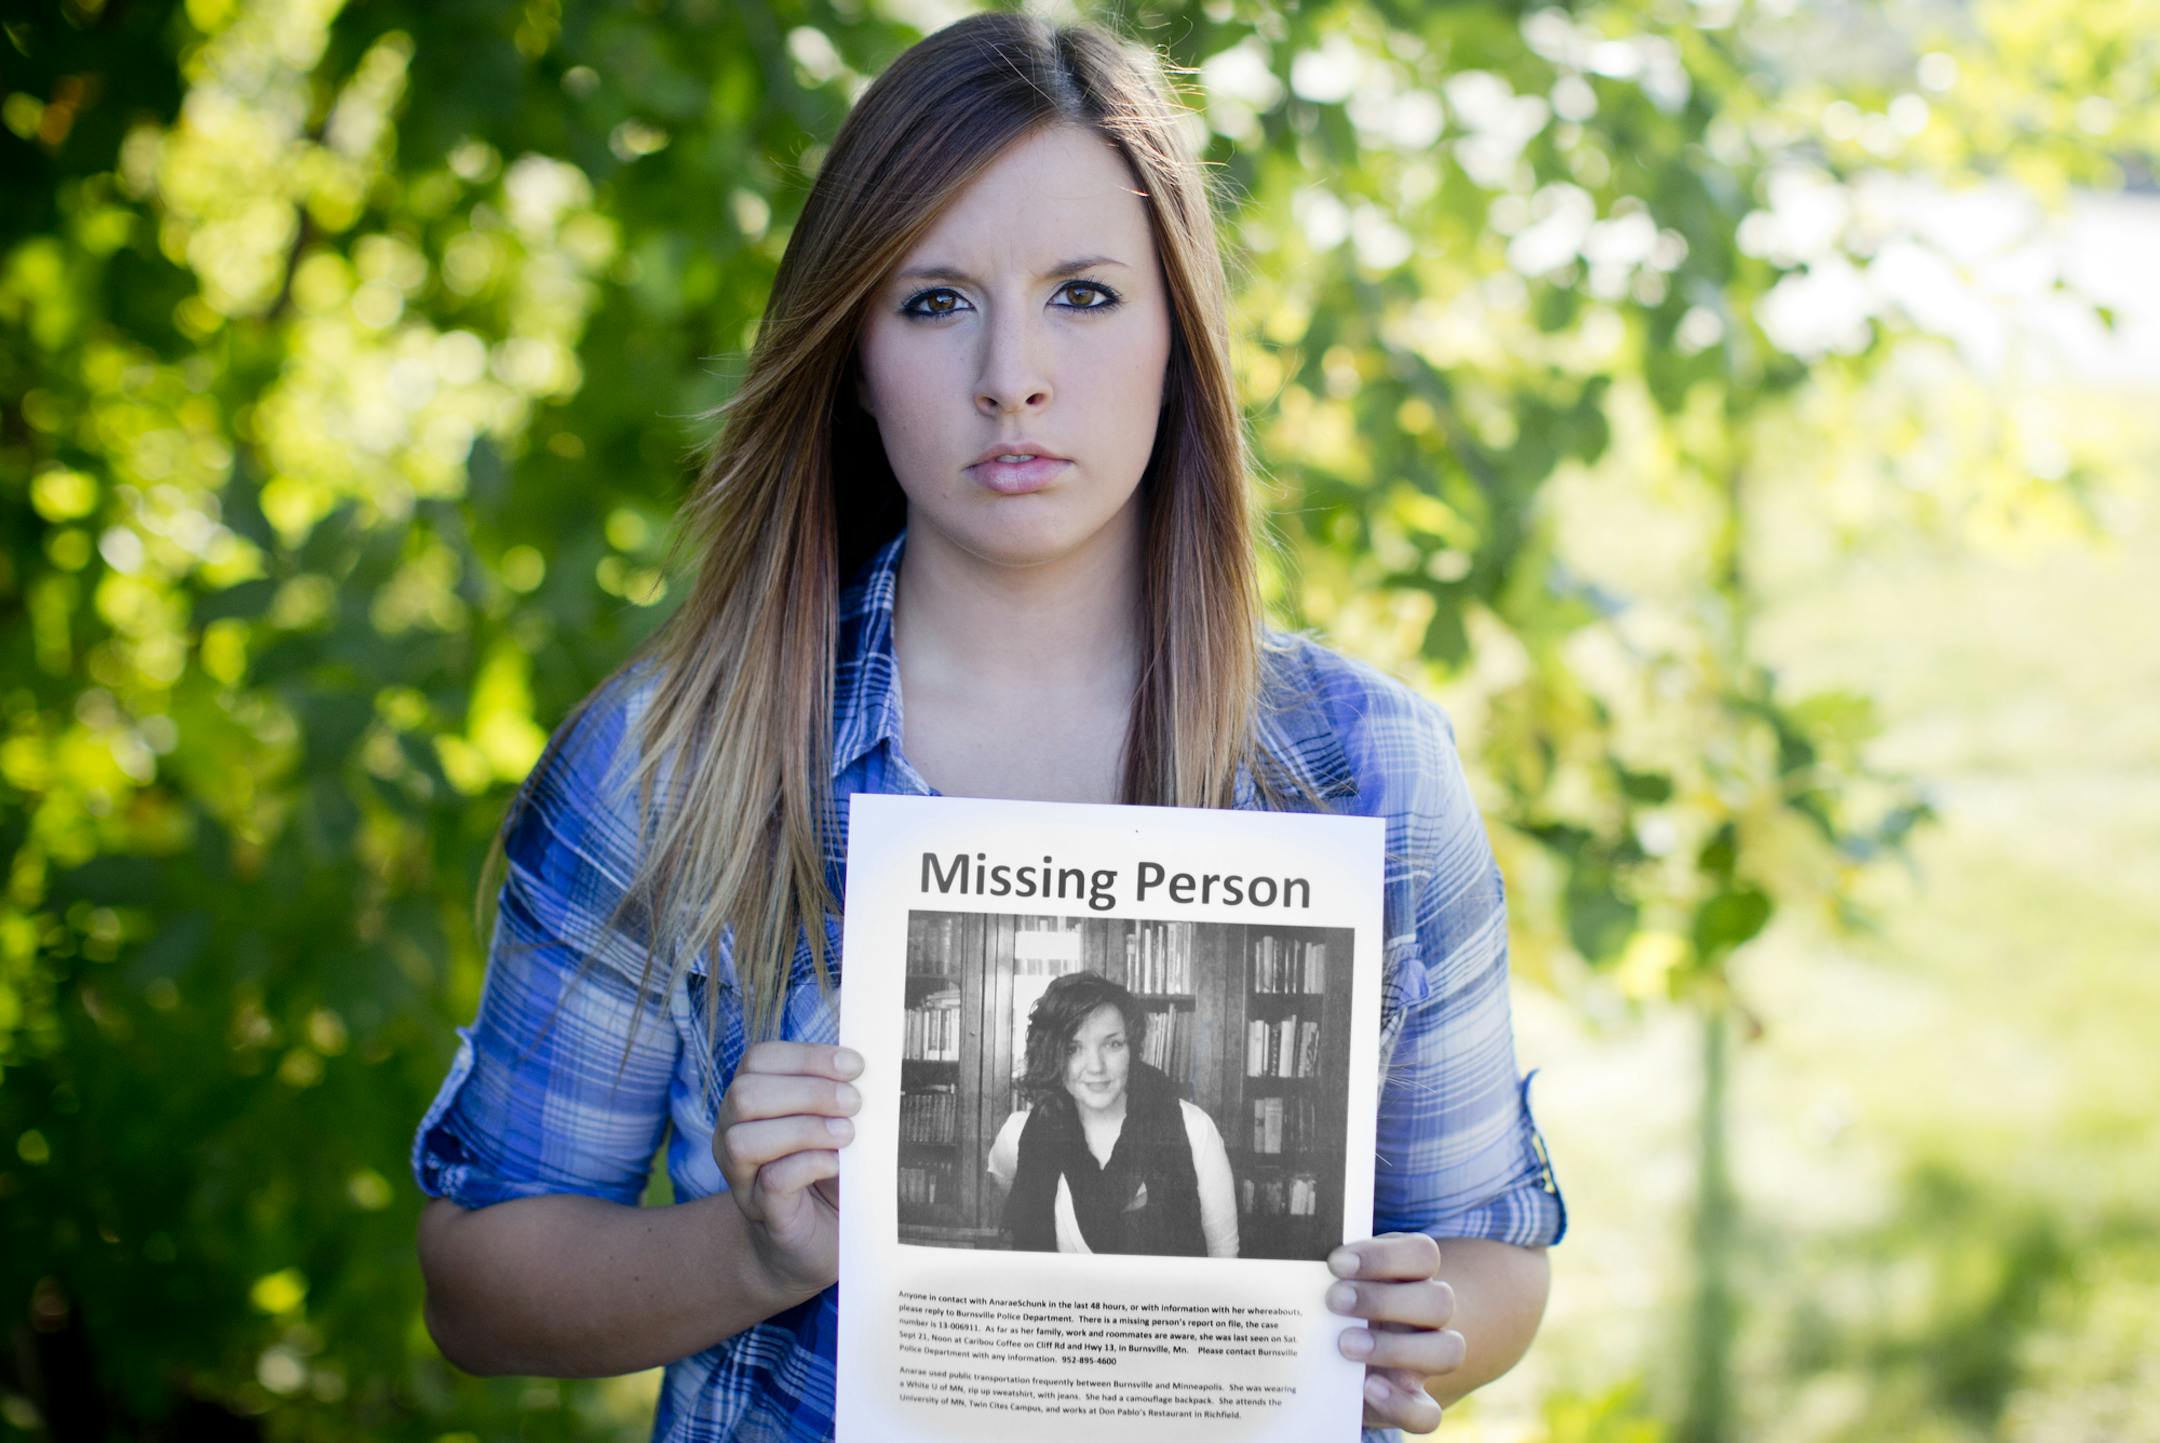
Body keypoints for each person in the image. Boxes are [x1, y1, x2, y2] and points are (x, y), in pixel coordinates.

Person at [410, 12, 1565, 1441]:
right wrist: (752, 1248)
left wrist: (1426, 1322)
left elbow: (1497, 1259)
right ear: (853, 350)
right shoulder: (673, 762)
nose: (1011, 373)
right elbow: (477, 1287)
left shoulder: (1370, 767)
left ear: (1177, 334)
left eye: (1083, 294)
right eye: (935, 300)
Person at [986, 971, 1238, 1257]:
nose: (1096, 1066)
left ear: (1132, 1048)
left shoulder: (1194, 1129)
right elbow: (1005, 1181)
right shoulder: (1021, 1132)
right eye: (1073, 1048)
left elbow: (1224, 1258)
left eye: (1112, 1044)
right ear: (1051, 1055)